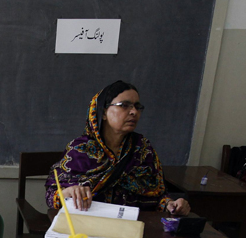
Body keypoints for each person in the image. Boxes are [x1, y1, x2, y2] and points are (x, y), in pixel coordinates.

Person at [45, 80, 189, 216]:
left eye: (137, 107)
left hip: (134, 227)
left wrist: (172, 204)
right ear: (104, 112)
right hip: (88, 227)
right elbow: (52, 198)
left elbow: (159, 198)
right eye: (124, 105)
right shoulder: (80, 150)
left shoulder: (143, 149)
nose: (134, 112)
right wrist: (67, 193)